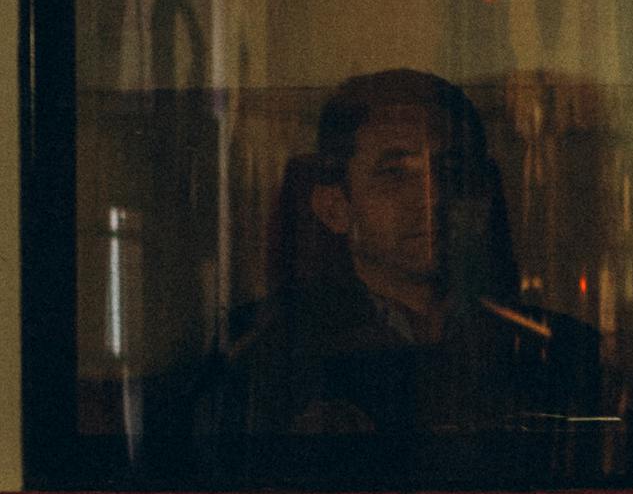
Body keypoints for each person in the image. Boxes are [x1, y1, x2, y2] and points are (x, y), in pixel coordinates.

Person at [187, 67, 602, 456]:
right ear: (335, 207)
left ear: (484, 196)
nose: (432, 197)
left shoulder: (559, 351)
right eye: (395, 173)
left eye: (453, 171)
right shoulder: (264, 355)